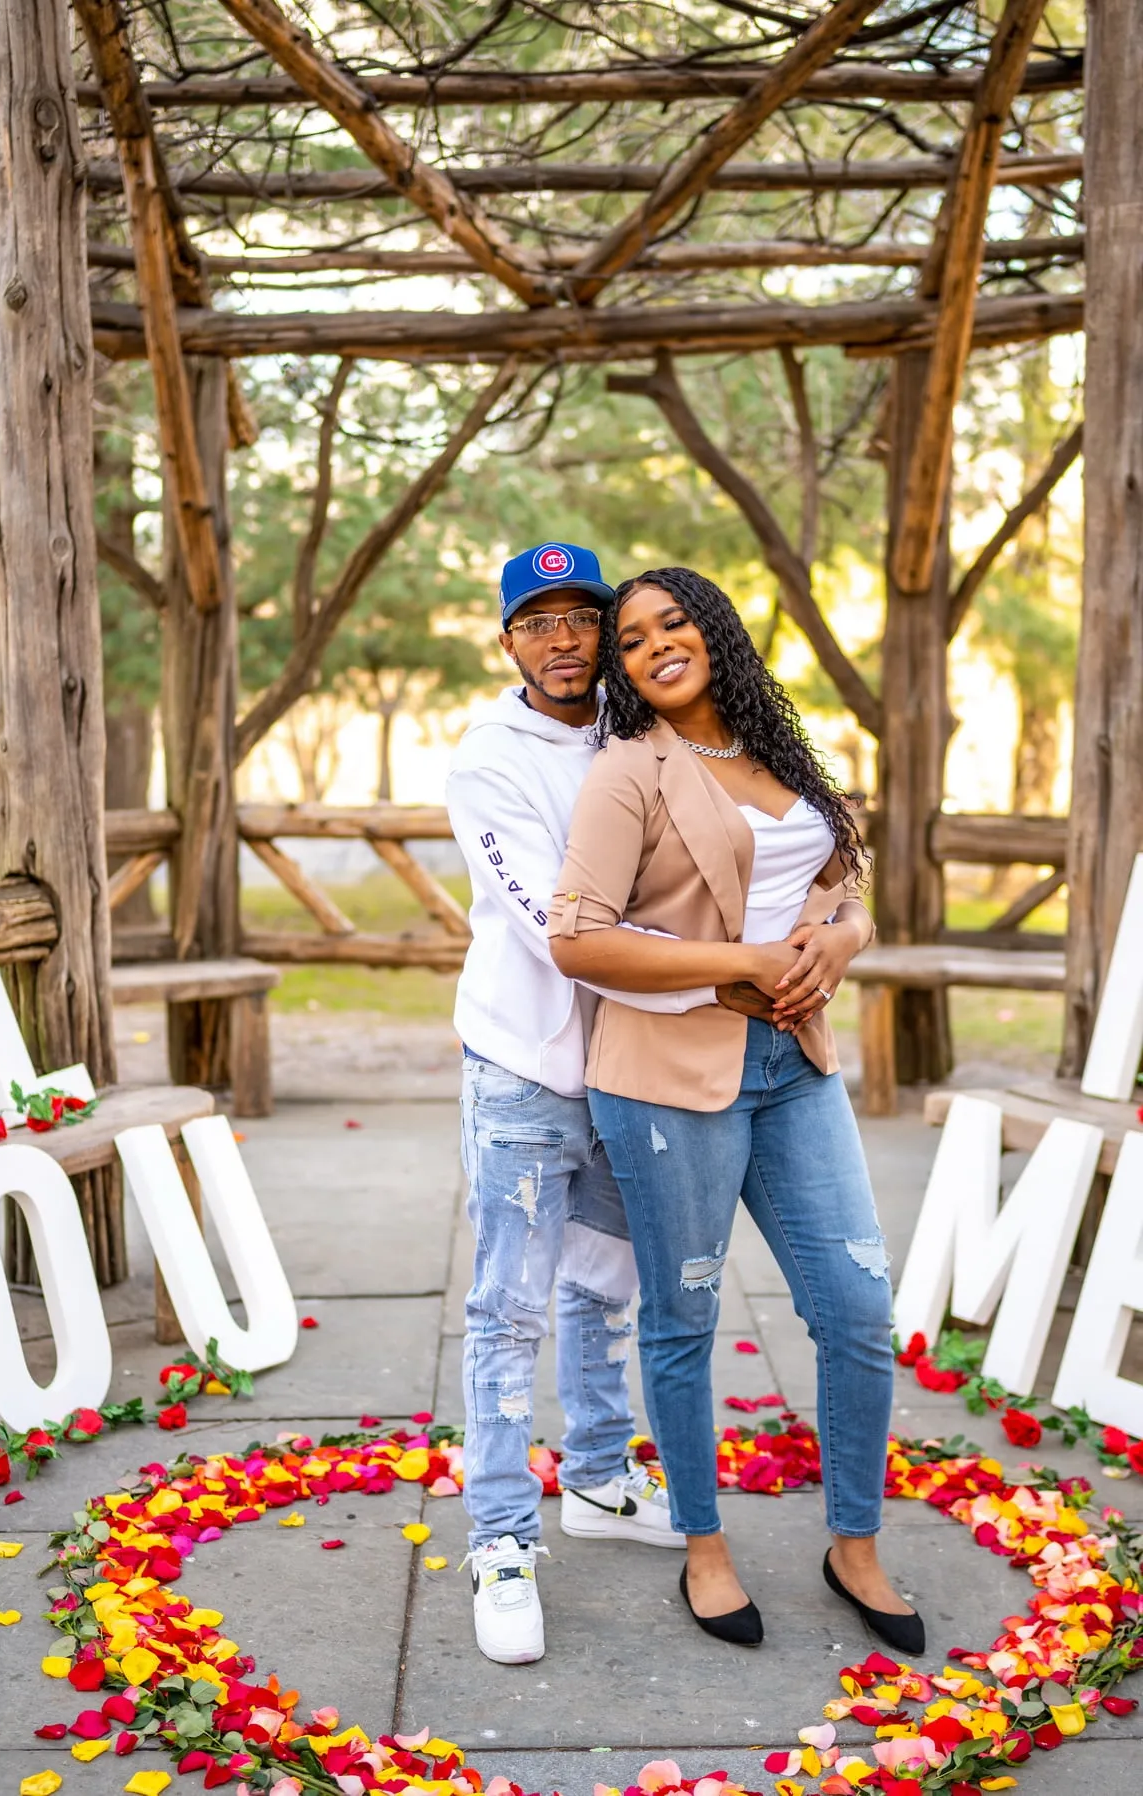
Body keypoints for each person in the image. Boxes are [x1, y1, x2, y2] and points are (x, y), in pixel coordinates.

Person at [547, 566, 923, 1657]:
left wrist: (839, 944)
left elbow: (844, 887)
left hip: (794, 1063)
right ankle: (704, 1547)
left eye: (673, 621)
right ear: (621, 668)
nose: (655, 643)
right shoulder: (629, 771)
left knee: (855, 1305)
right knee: (683, 1317)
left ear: (714, 629)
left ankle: (854, 1541)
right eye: (631, 638)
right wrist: (740, 962)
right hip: (667, 1076)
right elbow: (576, 935)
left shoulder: (784, 752)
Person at [447, 543, 718, 1668]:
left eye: (581, 617)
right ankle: (501, 1538)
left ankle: (600, 1479)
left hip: (629, 1056)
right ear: (509, 640)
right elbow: (551, 920)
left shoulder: (643, 724)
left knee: (608, 1285)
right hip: (524, 1060)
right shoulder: (487, 756)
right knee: (511, 1304)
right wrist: (718, 971)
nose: (563, 638)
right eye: (536, 621)